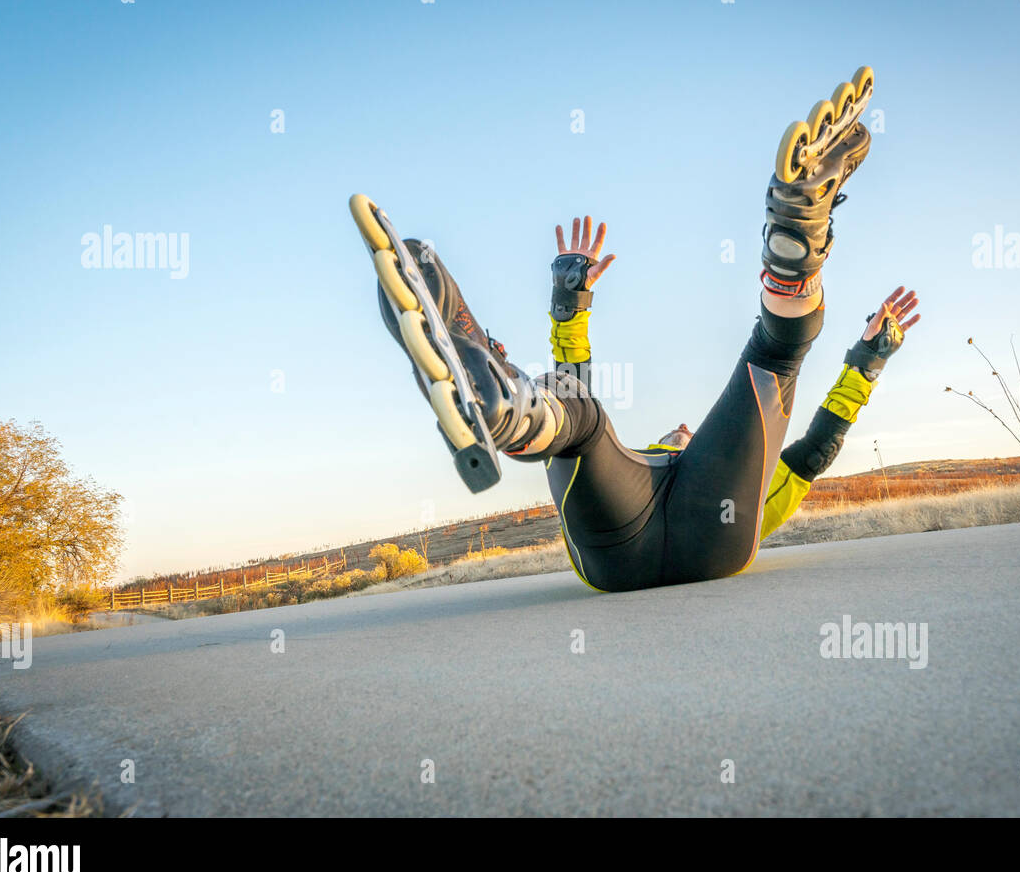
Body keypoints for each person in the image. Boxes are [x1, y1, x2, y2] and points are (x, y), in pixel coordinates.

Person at [352, 67, 920, 592]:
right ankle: (794, 244)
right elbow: (817, 449)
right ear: (696, 443)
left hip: (621, 555)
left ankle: (510, 408)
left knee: (586, 417)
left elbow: (817, 449)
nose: (682, 428)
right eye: (685, 432)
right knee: (758, 364)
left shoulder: (675, 461)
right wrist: (869, 361)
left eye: (684, 431)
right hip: (710, 538)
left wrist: (569, 304)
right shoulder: (722, 470)